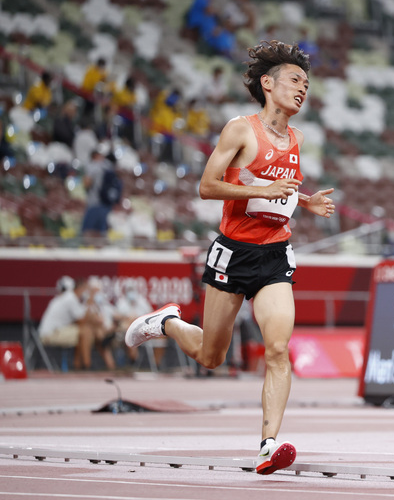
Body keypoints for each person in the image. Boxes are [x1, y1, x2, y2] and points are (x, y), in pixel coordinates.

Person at [125, 40, 335, 475]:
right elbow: (207, 186)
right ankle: (167, 323)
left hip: (275, 254)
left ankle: (267, 445)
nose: (303, 88)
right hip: (233, 252)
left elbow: (277, 191)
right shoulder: (240, 129)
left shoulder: (297, 138)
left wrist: (306, 200)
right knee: (211, 356)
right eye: (295, 80)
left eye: (307, 83)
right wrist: (265, 190)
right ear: (268, 83)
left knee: (278, 348)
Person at [39, 276, 105, 370]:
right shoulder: (70, 298)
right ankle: (87, 365)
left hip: (52, 331)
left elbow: (82, 319)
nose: (87, 292)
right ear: (80, 289)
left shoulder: (69, 297)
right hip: (50, 334)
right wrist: (89, 301)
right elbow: (82, 321)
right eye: (86, 290)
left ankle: (78, 365)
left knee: (82, 333)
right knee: (85, 332)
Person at [81, 150, 120, 237]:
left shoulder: (92, 166)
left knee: (88, 232)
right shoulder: (109, 165)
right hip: (108, 205)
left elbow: (86, 184)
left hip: (94, 203)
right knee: (103, 233)